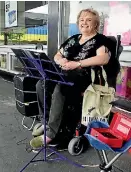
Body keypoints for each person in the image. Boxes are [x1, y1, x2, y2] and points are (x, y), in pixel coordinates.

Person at [30, 8, 120, 149]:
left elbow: (103, 58)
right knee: (41, 84)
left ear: (96, 24)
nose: (84, 22)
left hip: (85, 78)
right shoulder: (73, 39)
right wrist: (62, 62)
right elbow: (57, 55)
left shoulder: (101, 40)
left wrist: (77, 63)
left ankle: (51, 133)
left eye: (89, 20)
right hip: (64, 73)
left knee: (61, 88)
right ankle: (46, 121)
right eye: (82, 20)